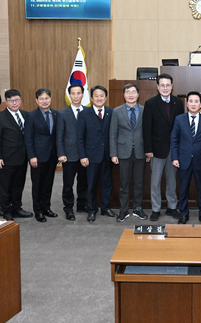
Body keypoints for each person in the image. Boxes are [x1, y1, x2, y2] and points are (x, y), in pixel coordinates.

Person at [142, 73, 185, 221]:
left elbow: (181, 127)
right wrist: (148, 149)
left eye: (168, 85)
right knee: (155, 181)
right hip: (156, 150)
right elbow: (146, 128)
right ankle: (155, 209)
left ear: (172, 87)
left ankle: (172, 207)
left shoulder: (178, 103)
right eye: (162, 85)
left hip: (173, 149)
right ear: (157, 87)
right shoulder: (150, 103)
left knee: (172, 180)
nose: (165, 88)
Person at [171, 91, 201, 224]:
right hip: (183, 160)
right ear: (187, 103)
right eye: (191, 101)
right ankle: (184, 214)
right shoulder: (179, 119)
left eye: (196, 101)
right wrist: (175, 158)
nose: (193, 104)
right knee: (183, 189)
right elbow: (174, 140)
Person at [0, 89, 32, 221]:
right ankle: (6, 210)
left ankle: (17, 208)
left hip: (22, 157)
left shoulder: (26, 115)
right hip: (6, 159)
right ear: (6, 102)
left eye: (17, 100)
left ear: (20, 100)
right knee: (5, 186)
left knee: (18, 185)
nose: (14, 103)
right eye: (11, 101)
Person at [110, 83, 148, 222]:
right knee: (124, 183)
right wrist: (113, 153)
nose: (131, 95)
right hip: (123, 152)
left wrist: (149, 151)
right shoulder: (117, 111)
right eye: (128, 92)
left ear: (138, 94)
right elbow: (113, 133)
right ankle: (124, 210)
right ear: (124, 95)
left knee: (139, 182)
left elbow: (148, 132)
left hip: (141, 152)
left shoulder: (145, 110)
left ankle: (138, 208)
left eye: (133, 92)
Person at [78, 85, 115, 222]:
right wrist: (82, 155)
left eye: (102, 96)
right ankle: (92, 209)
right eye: (96, 96)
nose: (99, 98)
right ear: (92, 98)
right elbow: (80, 137)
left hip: (107, 155)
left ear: (105, 97)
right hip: (91, 156)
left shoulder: (111, 112)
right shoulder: (84, 114)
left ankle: (105, 208)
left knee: (107, 183)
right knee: (91, 184)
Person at [24, 88, 59, 223]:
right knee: (37, 184)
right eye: (41, 99)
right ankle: (38, 211)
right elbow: (28, 138)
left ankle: (47, 208)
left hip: (52, 155)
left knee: (48, 183)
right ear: (36, 100)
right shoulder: (31, 116)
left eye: (47, 98)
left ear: (50, 99)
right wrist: (31, 156)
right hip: (37, 156)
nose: (45, 101)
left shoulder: (56, 114)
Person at [56, 84, 88, 221]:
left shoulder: (88, 111)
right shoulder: (62, 113)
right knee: (68, 183)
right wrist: (61, 153)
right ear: (69, 95)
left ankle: (81, 204)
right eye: (73, 93)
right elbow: (59, 136)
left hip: (85, 155)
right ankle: (68, 208)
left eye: (78, 93)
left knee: (83, 182)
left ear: (82, 95)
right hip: (68, 155)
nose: (76, 96)